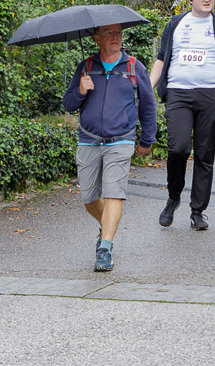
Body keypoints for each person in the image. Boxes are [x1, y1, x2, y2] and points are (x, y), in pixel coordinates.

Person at [149, 0, 215, 231]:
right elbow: (162, 58)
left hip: (211, 94)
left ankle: (198, 210)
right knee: (178, 148)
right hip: (178, 93)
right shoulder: (175, 23)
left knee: (205, 153)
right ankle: (173, 197)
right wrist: (148, 87)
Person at [63, 24, 158, 272]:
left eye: (118, 33)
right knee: (89, 198)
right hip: (88, 139)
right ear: (96, 38)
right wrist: (80, 90)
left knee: (113, 193)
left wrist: (147, 139)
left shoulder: (134, 67)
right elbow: (68, 103)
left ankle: (104, 248)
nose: (115, 37)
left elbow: (148, 105)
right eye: (108, 33)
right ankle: (106, 225)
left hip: (121, 140)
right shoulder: (85, 67)